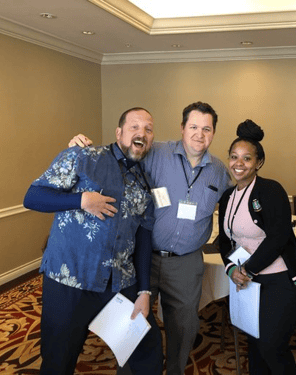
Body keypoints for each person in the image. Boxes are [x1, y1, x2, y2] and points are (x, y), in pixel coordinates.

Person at [69, 101, 232, 375]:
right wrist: (83, 149)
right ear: (182, 128)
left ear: (214, 133)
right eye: (193, 126)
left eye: (207, 129)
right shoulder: (156, 153)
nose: (199, 134)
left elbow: (236, 203)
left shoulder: (218, 170)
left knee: (183, 325)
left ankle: (176, 370)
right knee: (132, 323)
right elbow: (119, 151)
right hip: (142, 258)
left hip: (186, 263)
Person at [23, 107, 163, 375]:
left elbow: (143, 239)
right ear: (119, 132)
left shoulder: (144, 183)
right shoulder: (83, 156)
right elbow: (32, 197)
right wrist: (82, 200)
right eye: (134, 127)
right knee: (58, 360)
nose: (141, 134)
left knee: (145, 350)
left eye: (147, 129)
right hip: (69, 280)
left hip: (117, 283)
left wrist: (144, 290)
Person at [218, 120, 296, 375]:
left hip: (282, 280)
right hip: (250, 281)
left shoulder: (270, 190)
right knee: (255, 345)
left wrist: (247, 270)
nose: (239, 163)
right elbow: (225, 240)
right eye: (234, 157)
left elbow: (278, 237)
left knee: (271, 346)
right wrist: (230, 270)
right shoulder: (227, 197)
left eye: (247, 158)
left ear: (258, 162)